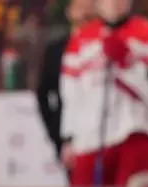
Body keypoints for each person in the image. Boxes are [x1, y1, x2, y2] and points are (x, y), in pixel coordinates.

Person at [60, 0, 148, 187]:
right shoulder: (81, 39)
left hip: (136, 132)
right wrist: (69, 137)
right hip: (91, 138)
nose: (113, 3)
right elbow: (71, 94)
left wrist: (129, 64)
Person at [37, 0, 96, 165]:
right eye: (79, 7)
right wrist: (59, 139)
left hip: (103, 137)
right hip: (71, 139)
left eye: (89, 7)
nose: (85, 13)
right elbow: (43, 94)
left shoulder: (103, 47)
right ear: (69, 12)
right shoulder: (56, 50)